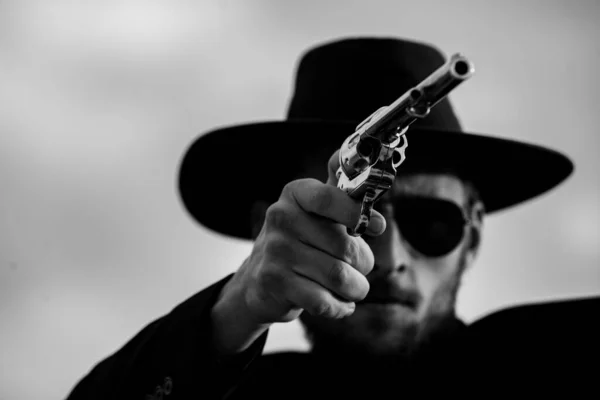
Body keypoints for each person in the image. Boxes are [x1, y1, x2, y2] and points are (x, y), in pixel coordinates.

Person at [66, 37, 598, 399]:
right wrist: (236, 310)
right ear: (267, 229)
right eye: (348, 223)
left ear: (474, 234)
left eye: (433, 222)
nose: (386, 260)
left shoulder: (549, 353)